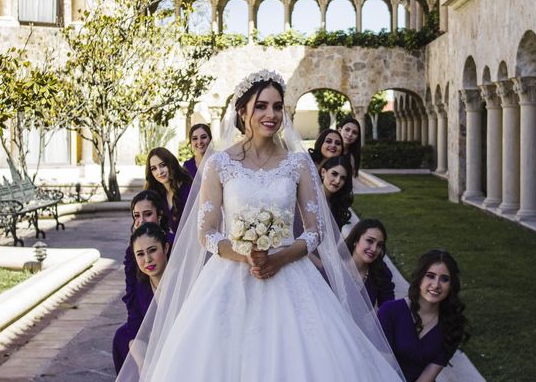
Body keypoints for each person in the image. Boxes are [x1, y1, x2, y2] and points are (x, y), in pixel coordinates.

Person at [116, 70, 405, 381]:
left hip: (291, 273)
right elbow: (207, 232)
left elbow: (314, 230)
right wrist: (245, 256)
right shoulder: (219, 164)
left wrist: (279, 257)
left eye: (278, 106)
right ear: (243, 111)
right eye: (262, 106)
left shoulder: (298, 163)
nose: (271, 114)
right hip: (229, 275)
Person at [378, 250, 469, 382]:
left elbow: (428, 376)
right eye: (430, 276)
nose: (436, 285)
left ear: (451, 285)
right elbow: (382, 366)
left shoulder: (453, 325)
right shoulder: (390, 311)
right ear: (420, 278)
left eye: (444, 279)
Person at [113, 223, 170, 374]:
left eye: (152, 250)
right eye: (140, 254)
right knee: (122, 337)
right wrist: (141, 361)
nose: (147, 259)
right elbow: (136, 321)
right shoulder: (140, 286)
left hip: (176, 338)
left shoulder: (179, 281)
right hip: (150, 336)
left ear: (165, 248)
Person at [345, 219, 395, 308]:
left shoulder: (382, 272)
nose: (374, 249)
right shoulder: (335, 265)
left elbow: (389, 309)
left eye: (379, 245)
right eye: (370, 241)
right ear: (356, 240)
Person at [144, 147, 192, 235]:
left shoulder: (187, 189)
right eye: (154, 168)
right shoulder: (159, 194)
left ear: (171, 163)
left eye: (162, 165)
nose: (159, 172)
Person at [319, 155, 354, 230]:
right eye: (334, 174)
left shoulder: (338, 203)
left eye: (343, 178)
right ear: (323, 172)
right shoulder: (310, 198)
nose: (337, 181)